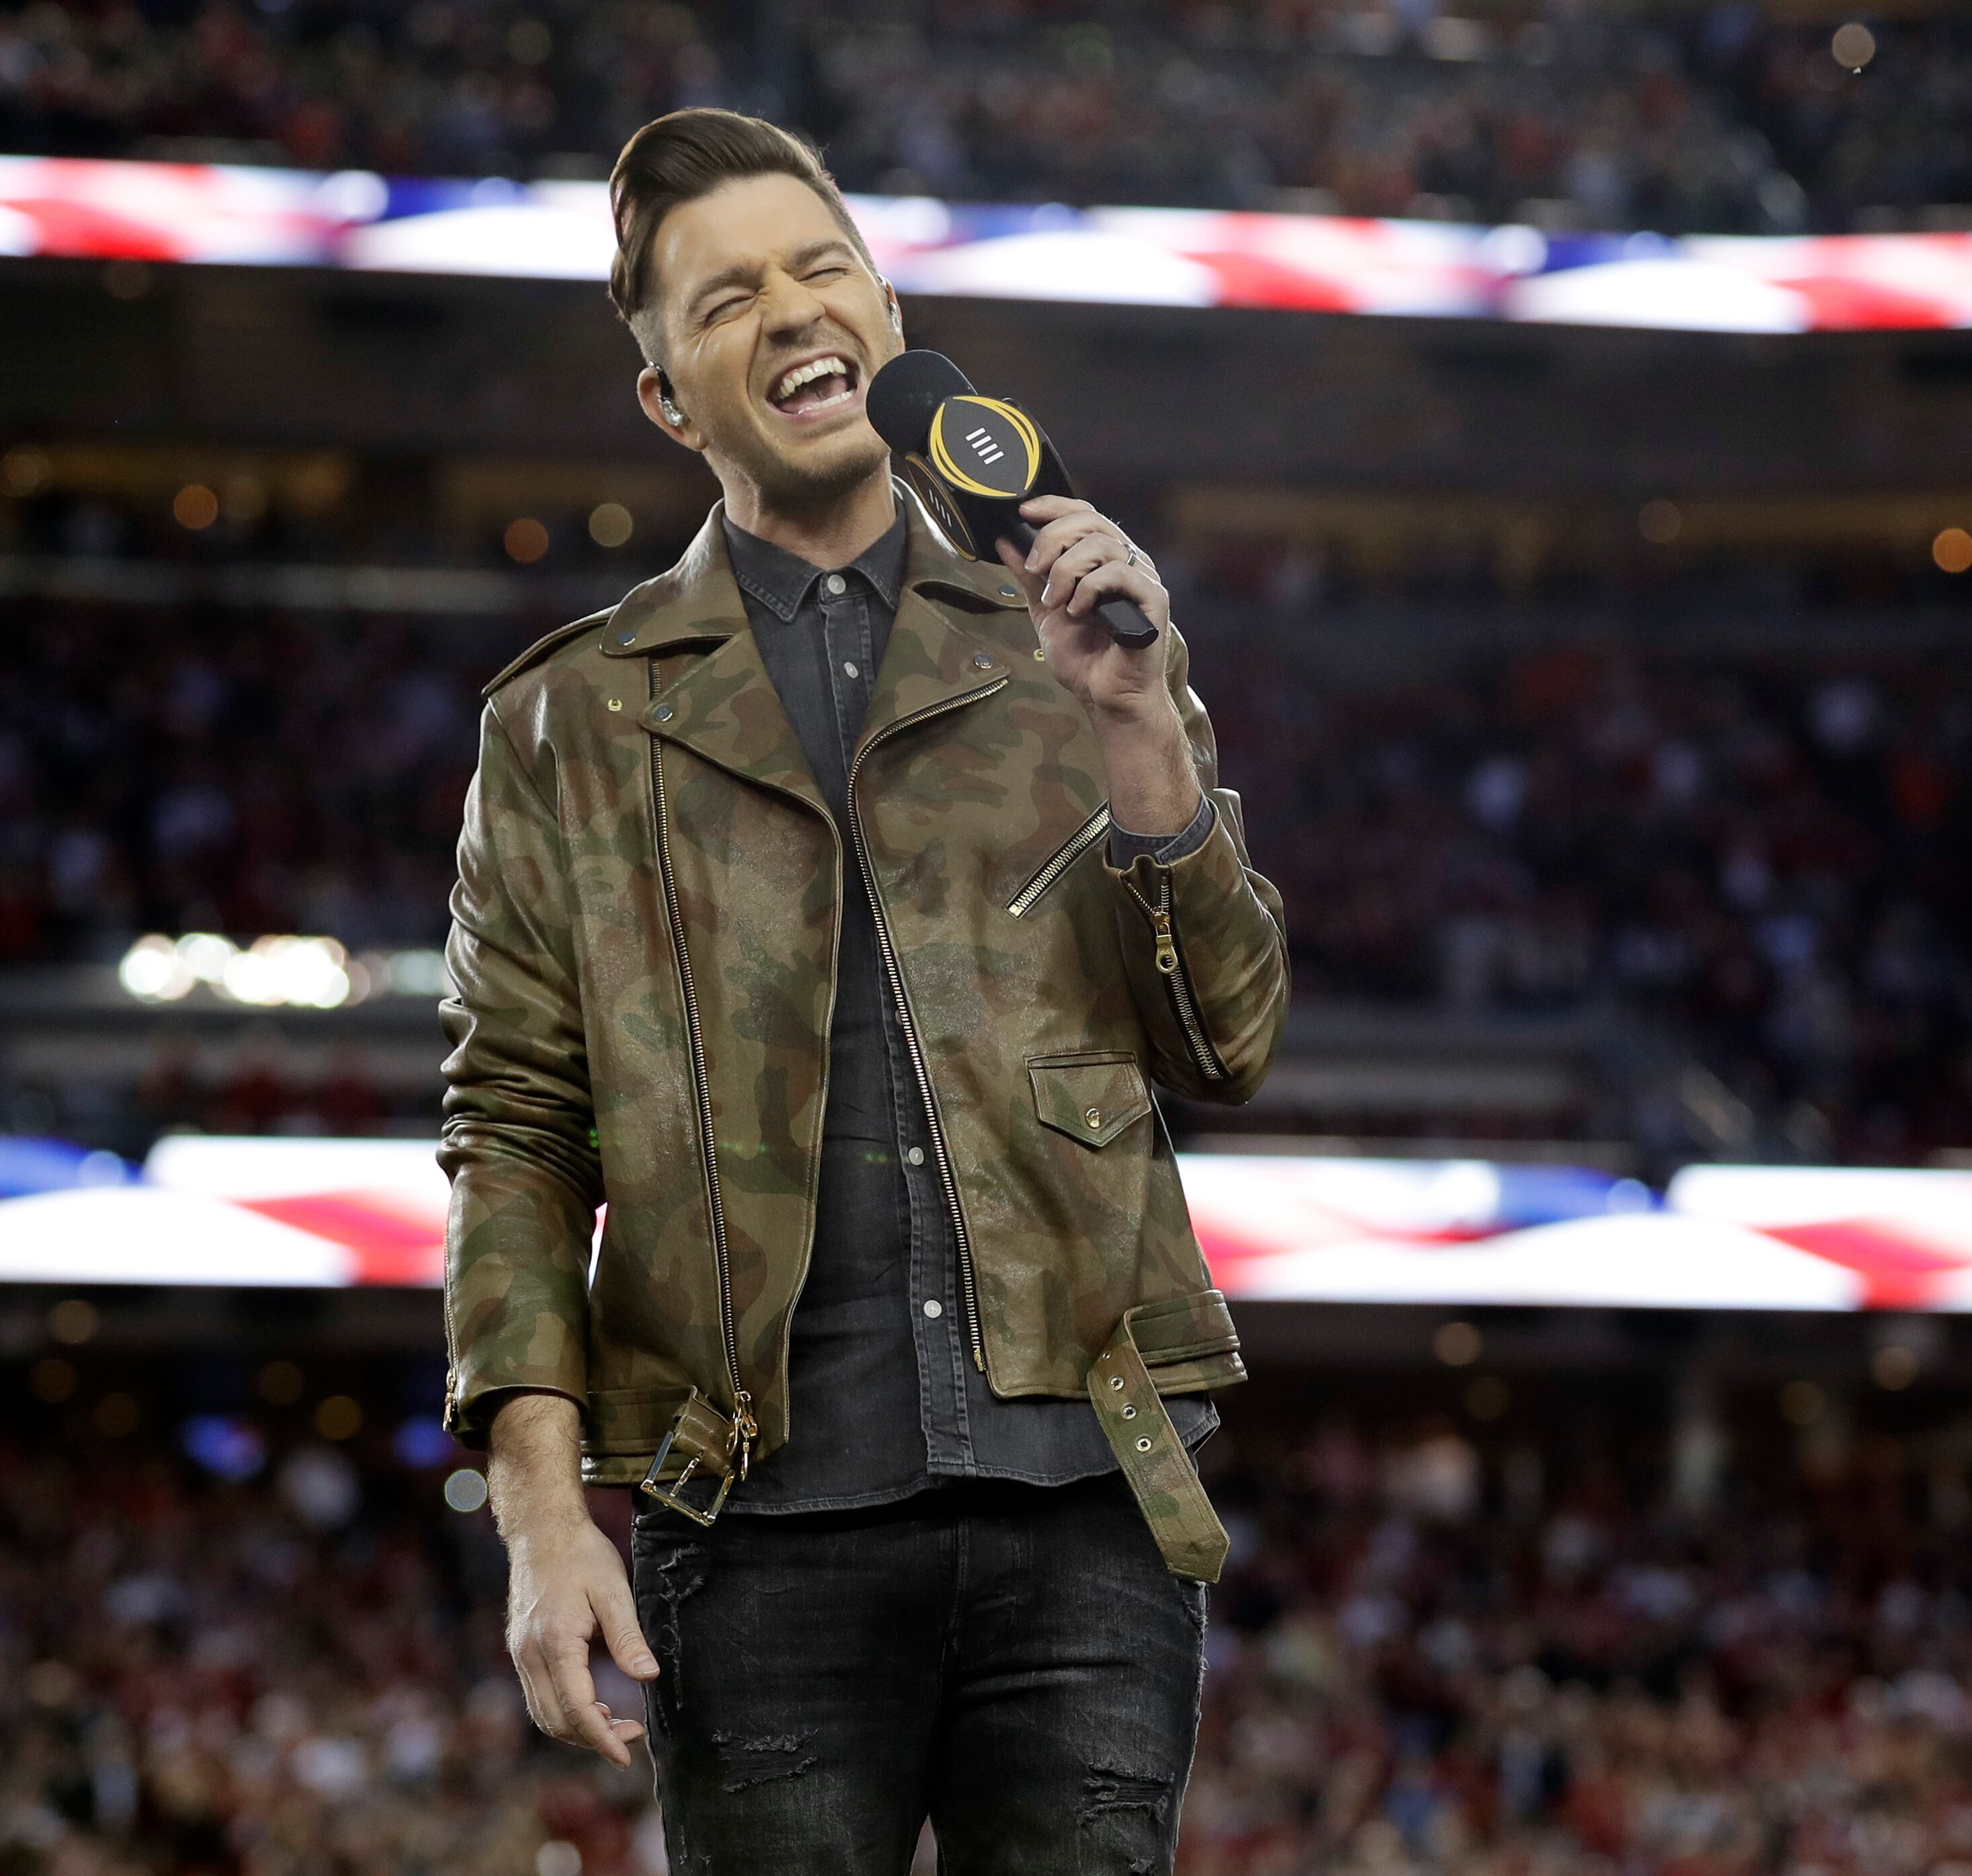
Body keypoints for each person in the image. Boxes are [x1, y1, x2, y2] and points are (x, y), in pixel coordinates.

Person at [437, 107, 1289, 1876]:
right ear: (668, 399)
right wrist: (540, 1510)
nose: (792, 310)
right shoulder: (568, 723)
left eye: (822, 270)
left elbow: (1232, 1039)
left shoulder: (1076, 647)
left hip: (1087, 1500)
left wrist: (1140, 731)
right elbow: (515, 1134)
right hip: (754, 1528)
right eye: (727, 297)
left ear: (891, 324)